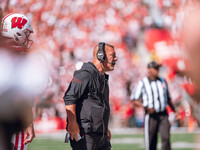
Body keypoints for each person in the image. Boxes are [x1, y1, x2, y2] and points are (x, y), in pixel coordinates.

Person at [63, 42, 118, 150]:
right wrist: (72, 123)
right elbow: (69, 97)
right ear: (101, 56)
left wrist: (104, 128)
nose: (116, 59)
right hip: (86, 134)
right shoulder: (85, 74)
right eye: (113, 55)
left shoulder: (102, 77)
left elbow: (98, 105)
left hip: (99, 134)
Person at [0, 13, 36, 150]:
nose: (28, 38)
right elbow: (22, 96)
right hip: (10, 117)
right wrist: (28, 122)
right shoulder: (18, 56)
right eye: (26, 33)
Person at [130, 61, 175, 150]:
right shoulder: (143, 82)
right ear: (149, 70)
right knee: (151, 140)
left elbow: (168, 98)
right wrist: (146, 106)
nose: (157, 70)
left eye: (157, 68)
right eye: (155, 68)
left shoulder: (163, 81)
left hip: (163, 114)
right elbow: (134, 99)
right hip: (151, 115)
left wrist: (174, 110)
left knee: (166, 138)